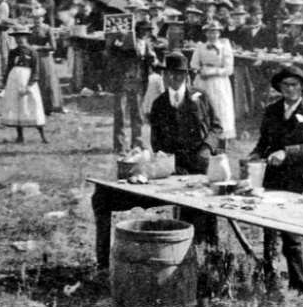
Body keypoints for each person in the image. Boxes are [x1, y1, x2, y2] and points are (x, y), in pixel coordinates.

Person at [92, 51, 223, 270]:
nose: (174, 79)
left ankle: (207, 260)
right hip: (174, 170)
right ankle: (104, 265)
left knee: (201, 217)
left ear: (187, 76)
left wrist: (207, 148)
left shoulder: (200, 97)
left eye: (179, 75)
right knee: (104, 197)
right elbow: (157, 142)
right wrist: (166, 161)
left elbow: (217, 127)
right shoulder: (159, 104)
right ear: (164, 76)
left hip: (201, 166)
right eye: (170, 74)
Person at [249, 64, 303, 307]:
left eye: (295, 85)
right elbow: (264, 142)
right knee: (289, 238)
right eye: (286, 85)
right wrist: (256, 154)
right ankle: (297, 286)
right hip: (279, 181)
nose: (291, 89)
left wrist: (286, 152)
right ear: (280, 88)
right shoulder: (272, 110)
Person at [109, 19, 157, 154]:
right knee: (121, 113)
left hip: (138, 80)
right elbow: (113, 52)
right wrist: (119, 38)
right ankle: (119, 145)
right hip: (123, 79)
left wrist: (152, 58)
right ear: (137, 31)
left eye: (148, 30)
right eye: (143, 30)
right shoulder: (126, 41)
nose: (145, 33)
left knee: (137, 113)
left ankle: (137, 142)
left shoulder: (147, 44)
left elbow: (148, 62)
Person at [190, 20, 236, 149]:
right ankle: (203, 138)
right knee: (203, 107)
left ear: (219, 33)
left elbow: (229, 69)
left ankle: (222, 141)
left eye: (215, 32)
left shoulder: (224, 46)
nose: (212, 35)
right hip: (203, 81)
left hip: (218, 82)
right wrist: (200, 70)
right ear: (205, 33)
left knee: (220, 108)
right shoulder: (200, 46)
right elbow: (193, 64)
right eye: (210, 32)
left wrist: (213, 72)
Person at [0, 27, 46, 143]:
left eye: (21, 37)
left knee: (32, 105)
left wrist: (29, 85)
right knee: (17, 107)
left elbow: (35, 71)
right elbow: (9, 68)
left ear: (26, 38)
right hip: (14, 81)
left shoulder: (32, 52)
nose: (19, 40)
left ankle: (42, 135)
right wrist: (4, 83)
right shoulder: (13, 52)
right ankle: (20, 136)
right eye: (17, 38)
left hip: (27, 81)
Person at [29, 11, 63, 115]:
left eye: (38, 18)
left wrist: (38, 47)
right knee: (34, 81)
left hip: (44, 58)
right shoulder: (30, 29)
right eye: (34, 18)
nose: (36, 21)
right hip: (33, 58)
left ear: (42, 18)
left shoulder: (47, 29)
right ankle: (35, 105)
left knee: (45, 82)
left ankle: (48, 107)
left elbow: (53, 47)